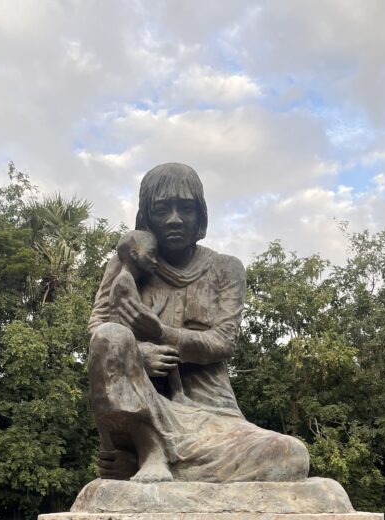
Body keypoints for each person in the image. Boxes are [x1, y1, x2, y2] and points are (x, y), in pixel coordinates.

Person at [88, 162, 310, 483]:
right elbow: (100, 333)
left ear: (200, 217)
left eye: (186, 209)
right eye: (162, 209)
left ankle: (151, 467)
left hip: (214, 419)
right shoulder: (128, 264)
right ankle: (149, 453)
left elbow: (223, 341)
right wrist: (137, 354)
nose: (174, 219)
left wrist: (161, 333)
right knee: (109, 337)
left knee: (290, 456)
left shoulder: (225, 268)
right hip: (146, 410)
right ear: (147, 216)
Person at [109, 228, 188, 405]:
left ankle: (174, 395)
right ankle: (178, 395)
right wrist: (157, 310)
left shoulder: (129, 281)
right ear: (135, 254)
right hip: (126, 342)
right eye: (151, 255)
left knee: (164, 350)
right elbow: (139, 316)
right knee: (168, 351)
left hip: (130, 338)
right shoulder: (124, 279)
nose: (155, 261)